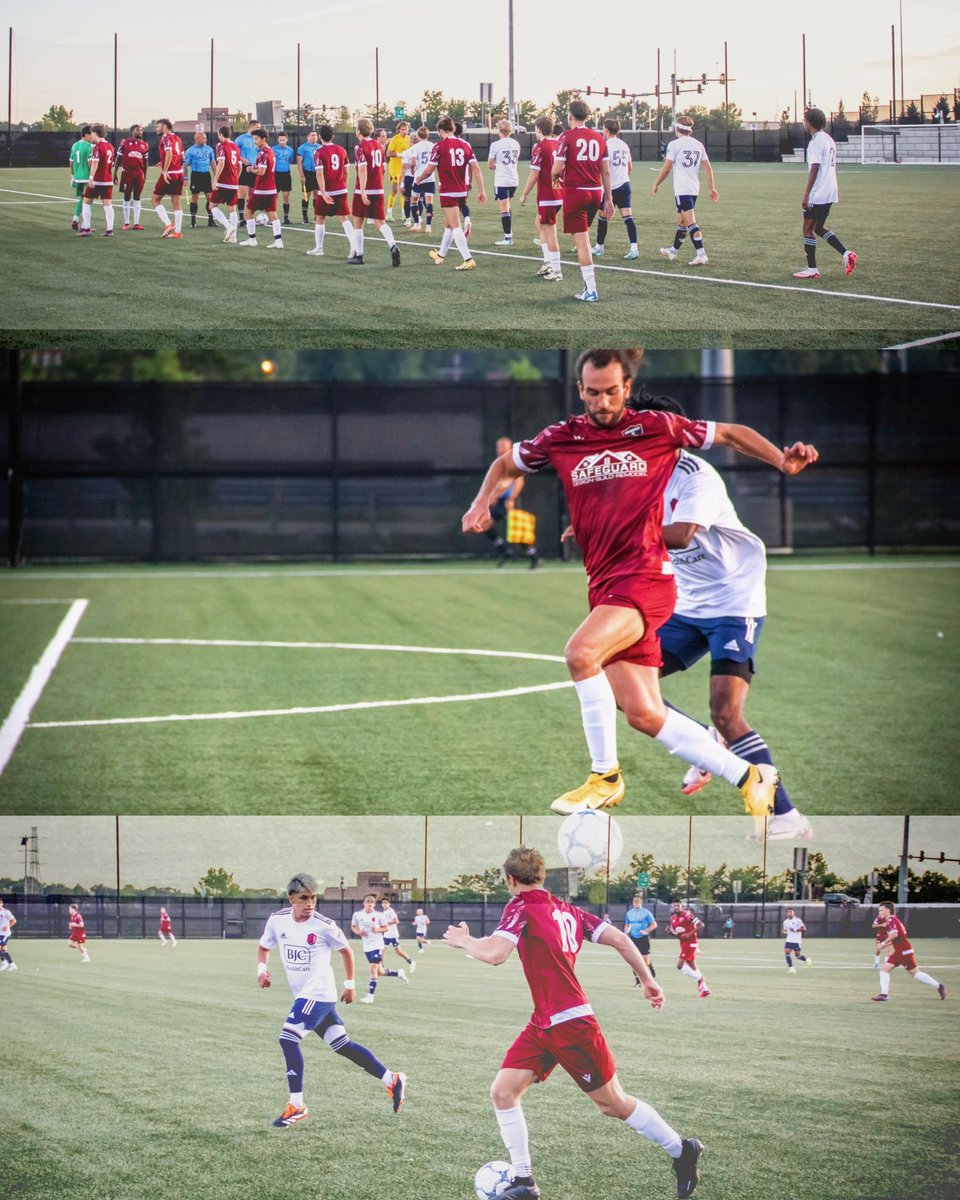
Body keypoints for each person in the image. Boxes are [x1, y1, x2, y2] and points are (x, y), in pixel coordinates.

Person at [461, 349, 818, 819]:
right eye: (593, 393)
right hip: (605, 581)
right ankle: (749, 776)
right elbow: (507, 464)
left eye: (612, 391)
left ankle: (604, 777)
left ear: (626, 387)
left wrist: (781, 460)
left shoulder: (657, 428)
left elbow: (730, 433)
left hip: (647, 579)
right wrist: (479, 503)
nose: (603, 402)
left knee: (581, 654)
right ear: (580, 390)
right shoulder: (562, 438)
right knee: (643, 713)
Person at [443, 846, 703, 1200]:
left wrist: (465, 941)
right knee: (503, 1092)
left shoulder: (521, 905)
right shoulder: (566, 909)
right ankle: (524, 1182)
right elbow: (621, 939)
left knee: (613, 1104)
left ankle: (681, 1149)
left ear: (510, 879)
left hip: (571, 1023)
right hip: (544, 1023)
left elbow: (494, 955)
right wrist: (647, 979)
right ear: (542, 876)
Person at [629, 394, 814, 842]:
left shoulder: (696, 477)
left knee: (728, 713)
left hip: (735, 600)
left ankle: (786, 816)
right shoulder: (634, 474)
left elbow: (680, 533)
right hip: (687, 602)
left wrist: (611, 527)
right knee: (628, 683)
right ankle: (707, 744)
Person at [258, 873, 406, 1127]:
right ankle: (392, 1079)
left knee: (288, 1039)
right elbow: (264, 947)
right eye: (304, 898)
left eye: (313, 898)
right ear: (291, 898)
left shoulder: (323, 925)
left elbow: (346, 951)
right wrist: (262, 970)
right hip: (305, 994)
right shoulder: (277, 920)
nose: (309, 903)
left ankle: (297, 1105)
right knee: (342, 1045)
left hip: (318, 993)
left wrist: (350, 985)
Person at [551, 100, 613, 302]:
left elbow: (556, 168)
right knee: (583, 238)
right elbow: (606, 172)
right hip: (595, 193)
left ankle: (591, 289)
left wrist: (555, 179)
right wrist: (609, 200)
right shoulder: (599, 138)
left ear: (570, 116)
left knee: (583, 242)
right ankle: (589, 287)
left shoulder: (566, 136)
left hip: (576, 192)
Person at [793, 107, 856, 281]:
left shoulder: (815, 142)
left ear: (810, 122)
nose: (804, 123)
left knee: (807, 229)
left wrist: (806, 195)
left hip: (819, 193)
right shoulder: (829, 139)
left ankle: (812, 269)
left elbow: (815, 167)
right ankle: (846, 253)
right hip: (830, 191)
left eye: (805, 120)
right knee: (818, 228)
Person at [416, 116, 486, 271]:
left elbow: (429, 170)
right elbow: (477, 169)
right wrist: (482, 190)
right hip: (462, 191)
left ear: (441, 131)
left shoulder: (439, 146)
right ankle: (440, 255)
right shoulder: (466, 144)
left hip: (448, 192)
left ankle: (468, 259)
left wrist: (419, 179)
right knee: (448, 224)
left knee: (455, 226)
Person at [652, 114, 718, 267]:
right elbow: (708, 167)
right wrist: (711, 188)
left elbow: (667, 167)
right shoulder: (698, 144)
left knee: (689, 221)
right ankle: (673, 251)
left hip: (683, 188)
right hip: (693, 187)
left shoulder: (675, 144)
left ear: (677, 128)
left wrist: (656, 183)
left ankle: (701, 254)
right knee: (682, 220)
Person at [348, 117, 401, 267]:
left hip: (363, 189)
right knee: (380, 222)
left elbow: (363, 169)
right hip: (378, 189)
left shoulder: (360, 147)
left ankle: (359, 254)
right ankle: (393, 245)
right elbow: (383, 168)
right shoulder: (378, 145)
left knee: (358, 221)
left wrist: (363, 191)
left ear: (358, 130)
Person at [871, 901, 946, 1002]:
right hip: (900, 950)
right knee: (884, 969)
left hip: (903, 951)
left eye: (881, 910)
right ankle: (884, 995)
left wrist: (883, 943)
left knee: (915, 974)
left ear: (888, 910)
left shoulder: (891, 919)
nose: (879, 912)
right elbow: (898, 936)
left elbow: (895, 934)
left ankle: (939, 986)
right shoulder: (892, 920)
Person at [519, 115, 563, 282]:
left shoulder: (540, 147)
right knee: (539, 222)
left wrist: (524, 194)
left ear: (538, 129)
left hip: (548, 195)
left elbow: (534, 174)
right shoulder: (558, 144)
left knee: (550, 231)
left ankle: (556, 269)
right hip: (559, 194)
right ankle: (547, 261)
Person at [484, 436, 538, 568]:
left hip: (508, 503)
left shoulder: (513, 461)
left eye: (503, 446)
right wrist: (492, 497)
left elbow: (519, 481)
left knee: (517, 531)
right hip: (498, 502)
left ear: (509, 447)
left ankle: (534, 558)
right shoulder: (498, 463)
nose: (500, 449)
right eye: (499, 447)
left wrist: (511, 498)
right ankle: (504, 551)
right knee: (484, 523)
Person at [593, 119, 638, 260]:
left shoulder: (604, 145)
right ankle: (634, 248)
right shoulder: (624, 145)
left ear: (606, 130)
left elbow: (602, 168)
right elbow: (630, 167)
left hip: (610, 187)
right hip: (625, 184)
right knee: (628, 217)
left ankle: (599, 247)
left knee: (602, 216)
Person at [307, 124, 353, 258]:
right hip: (341, 189)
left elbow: (319, 174)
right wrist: (344, 185)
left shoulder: (319, 152)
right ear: (333, 136)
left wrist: (323, 192)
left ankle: (319, 248)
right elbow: (346, 172)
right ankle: (354, 247)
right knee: (344, 218)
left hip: (326, 191)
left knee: (320, 218)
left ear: (320, 136)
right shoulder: (341, 150)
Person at [351, 893, 408, 1002]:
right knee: (380, 972)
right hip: (367, 946)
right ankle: (398, 973)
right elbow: (353, 926)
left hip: (378, 945)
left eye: (372, 902)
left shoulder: (378, 915)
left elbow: (386, 928)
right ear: (364, 903)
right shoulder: (357, 915)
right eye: (368, 902)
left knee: (373, 968)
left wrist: (378, 930)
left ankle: (370, 996)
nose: (369, 904)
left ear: (374, 904)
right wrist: (358, 932)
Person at [239, 130, 284, 249]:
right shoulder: (271, 152)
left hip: (261, 189)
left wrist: (250, 170)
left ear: (264, 139)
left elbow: (262, 171)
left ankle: (252, 239)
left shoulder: (263, 153)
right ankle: (278, 241)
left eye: (256, 139)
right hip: (271, 188)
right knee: (273, 215)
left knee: (248, 212)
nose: (255, 141)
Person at [487, 118, 522, 246]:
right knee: (507, 206)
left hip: (502, 180)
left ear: (498, 130)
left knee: (504, 209)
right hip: (514, 179)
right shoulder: (516, 143)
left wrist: (499, 166)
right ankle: (509, 234)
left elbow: (490, 165)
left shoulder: (496, 145)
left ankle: (508, 238)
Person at [77, 125, 116, 238]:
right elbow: (111, 164)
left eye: (92, 133)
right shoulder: (110, 146)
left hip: (98, 180)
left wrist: (91, 178)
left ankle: (87, 228)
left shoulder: (97, 146)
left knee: (86, 202)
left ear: (95, 133)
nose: (92, 135)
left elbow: (95, 162)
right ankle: (109, 230)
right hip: (108, 180)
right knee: (107, 204)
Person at [668, 899, 709, 997]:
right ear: (672, 907)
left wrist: (689, 933)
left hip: (691, 943)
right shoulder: (673, 918)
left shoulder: (687, 915)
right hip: (683, 944)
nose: (676, 907)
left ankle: (700, 979)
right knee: (692, 966)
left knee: (679, 965)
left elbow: (701, 925)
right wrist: (670, 932)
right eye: (675, 905)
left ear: (681, 906)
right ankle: (705, 989)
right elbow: (678, 934)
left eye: (678, 905)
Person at [152, 118, 185, 239]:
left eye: (158, 126)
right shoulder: (177, 138)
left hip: (170, 173)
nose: (157, 129)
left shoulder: (165, 137)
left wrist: (165, 169)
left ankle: (168, 224)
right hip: (179, 172)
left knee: (155, 200)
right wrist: (164, 162)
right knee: (177, 202)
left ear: (165, 126)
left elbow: (170, 153)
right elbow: (182, 156)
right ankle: (178, 232)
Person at [209, 125, 242, 243]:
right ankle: (233, 238)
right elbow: (240, 166)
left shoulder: (221, 145)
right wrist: (235, 179)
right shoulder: (236, 147)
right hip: (233, 183)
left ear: (221, 135)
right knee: (232, 209)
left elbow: (221, 163)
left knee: (212, 206)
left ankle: (229, 227)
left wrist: (215, 180)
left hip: (223, 182)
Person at [114, 122, 149, 230]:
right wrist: (114, 173)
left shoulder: (144, 145)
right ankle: (126, 223)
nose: (140, 132)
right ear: (132, 131)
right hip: (127, 174)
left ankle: (136, 223)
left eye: (141, 130)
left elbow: (145, 161)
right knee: (127, 196)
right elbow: (118, 158)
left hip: (139, 174)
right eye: (138, 130)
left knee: (137, 197)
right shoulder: (125, 142)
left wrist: (145, 175)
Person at [183, 131, 216, 229]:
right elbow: (185, 165)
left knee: (210, 198)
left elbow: (213, 162)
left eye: (206, 138)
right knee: (194, 198)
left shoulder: (209, 149)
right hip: (196, 176)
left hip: (206, 175)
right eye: (204, 138)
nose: (206, 140)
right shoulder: (190, 151)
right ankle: (193, 222)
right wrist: (185, 178)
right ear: (197, 139)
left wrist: (216, 175)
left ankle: (211, 220)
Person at [624, 895, 657, 983]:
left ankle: (650, 967)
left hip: (643, 938)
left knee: (645, 959)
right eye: (635, 901)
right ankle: (637, 980)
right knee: (633, 958)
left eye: (638, 901)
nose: (636, 903)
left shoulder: (646, 913)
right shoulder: (629, 913)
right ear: (633, 903)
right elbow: (627, 925)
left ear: (641, 903)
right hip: (633, 938)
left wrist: (646, 930)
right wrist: (626, 933)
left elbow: (654, 925)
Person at [68, 125, 95, 233]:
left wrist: (72, 176)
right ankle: (85, 225)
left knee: (82, 199)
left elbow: (71, 163)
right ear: (87, 134)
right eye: (92, 134)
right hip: (87, 177)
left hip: (78, 177)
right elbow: (90, 162)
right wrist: (92, 176)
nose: (93, 137)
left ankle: (75, 219)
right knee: (88, 201)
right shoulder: (90, 146)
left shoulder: (74, 145)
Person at [409, 126, 435, 234]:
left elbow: (413, 162)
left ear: (418, 136)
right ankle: (428, 226)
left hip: (419, 177)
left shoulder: (416, 147)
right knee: (429, 202)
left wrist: (412, 170)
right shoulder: (433, 146)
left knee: (414, 201)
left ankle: (417, 224)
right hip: (430, 177)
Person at [379, 897, 415, 970]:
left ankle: (411, 962)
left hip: (393, 935)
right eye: (383, 903)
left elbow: (396, 921)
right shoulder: (383, 912)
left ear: (389, 904)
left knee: (398, 952)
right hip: (386, 935)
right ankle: (381, 967)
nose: (384, 904)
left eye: (386, 903)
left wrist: (386, 923)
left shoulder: (391, 911)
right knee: (381, 951)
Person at [385, 120, 411, 221]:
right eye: (403, 129)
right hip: (394, 167)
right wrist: (400, 154)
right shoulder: (395, 139)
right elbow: (388, 153)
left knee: (403, 190)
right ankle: (389, 213)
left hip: (404, 167)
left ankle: (404, 214)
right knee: (395, 190)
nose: (404, 131)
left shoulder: (409, 139)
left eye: (406, 129)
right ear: (399, 130)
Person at [235, 118, 261, 218]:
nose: (259, 129)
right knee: (242, 193)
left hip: (255, 168)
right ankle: (241, 217)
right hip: (244, 168)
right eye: (257, 127)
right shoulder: (241, 139)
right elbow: (233, 151)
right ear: (251, 127)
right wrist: (241, 158)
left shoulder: (258, 139)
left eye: (259, 128)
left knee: (252, 194)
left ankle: (249, 215)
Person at [271, 131, 296, 224]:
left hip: (286, 175)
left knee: (286, 196)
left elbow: (291, 160)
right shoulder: (273, 149)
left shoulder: (290, 150)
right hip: (276, 174)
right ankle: (273, 218)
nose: (282, 141)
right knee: (275, 197)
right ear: (278, 140)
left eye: (283, 140)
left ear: (287, 140)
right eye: (280, 140)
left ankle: (286, 218)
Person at [296, 128, 320, 223]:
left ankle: (316, 216)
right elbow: (299, 162)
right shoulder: (303, 147)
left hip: (318, 173)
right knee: (306, 195)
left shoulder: (320, 147)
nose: (314, 137)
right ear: (308, 137)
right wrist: (302, 176)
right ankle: (305, 217)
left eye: (315, 135)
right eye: (312, 135)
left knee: (317, 195)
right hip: (307, 173)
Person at [782, 908, 811, 972]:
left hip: (797, 941)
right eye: (788, 912)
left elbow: (804, 929)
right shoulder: (785, 922)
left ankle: (807, 960)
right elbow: (785, 930)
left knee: (798, 956)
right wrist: (784, 931)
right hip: (789, 940)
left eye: (791, 912)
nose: (790, 913)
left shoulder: (798, 920)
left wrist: (795, 930)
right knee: (787, 953)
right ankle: (791, 968)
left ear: (793, 913)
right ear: (787, 913)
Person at [0, 899, 17, 972]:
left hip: (5, 934)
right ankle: (11, 965)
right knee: (3, 950)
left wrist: (8, 926)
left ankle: (5, 963)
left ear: (2, 904)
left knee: (2, 950)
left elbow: (14, 921)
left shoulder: (6, 912)